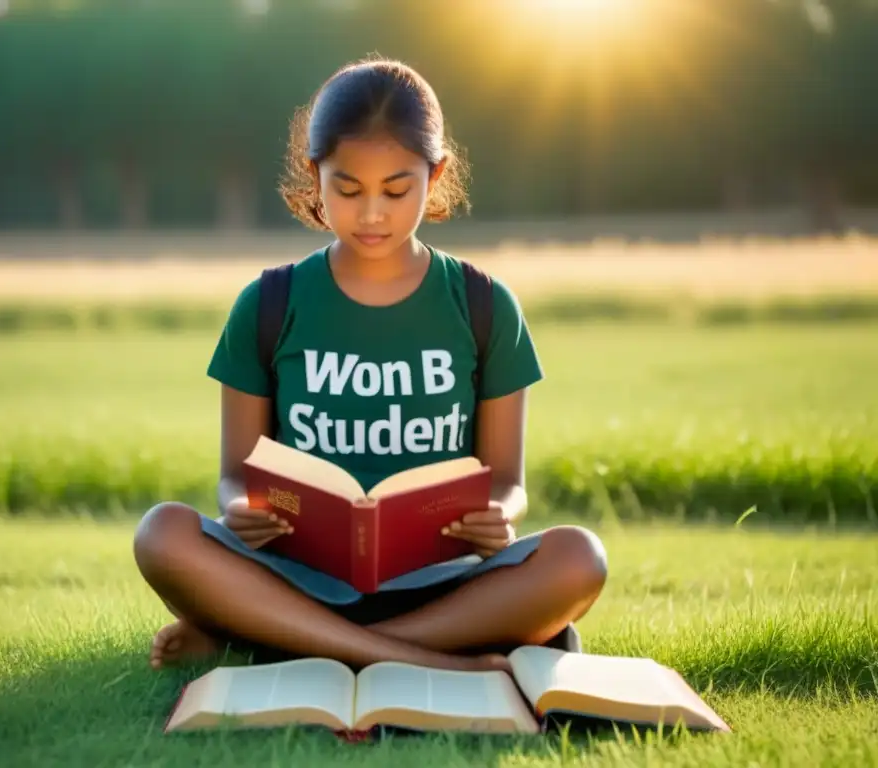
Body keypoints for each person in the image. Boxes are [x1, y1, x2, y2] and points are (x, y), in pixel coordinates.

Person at [133, 55, 607, 675]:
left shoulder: (485, 304)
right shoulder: (268, 303)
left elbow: (506, 481)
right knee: (161, 533)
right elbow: (235, 475)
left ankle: (276, 642)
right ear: (315, 175)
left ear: (435, 175)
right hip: (295, 577)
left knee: (579, 558)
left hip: (441, 583)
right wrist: (242, 510)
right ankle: (413, 655)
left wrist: (500, 516)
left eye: (397, 188)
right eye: (348, 189)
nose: (373, 213)